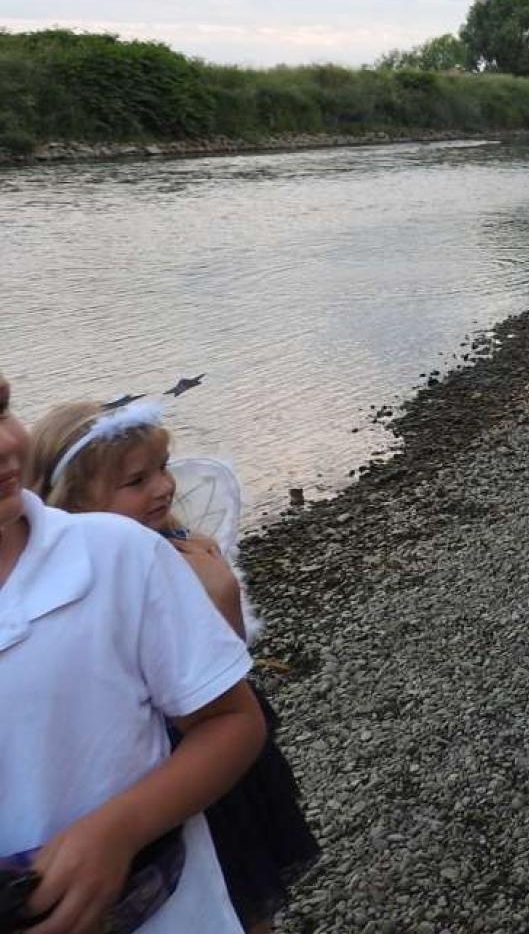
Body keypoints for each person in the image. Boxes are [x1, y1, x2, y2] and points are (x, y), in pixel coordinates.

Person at [27, 399, 320, 934]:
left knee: (244, 897)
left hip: (212, 772)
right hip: (146, 786)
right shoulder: (76, 592)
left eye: (162, 467)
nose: (163, 487)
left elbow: (231, 695)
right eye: (136, 480)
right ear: (72, 504)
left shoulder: (186, 556)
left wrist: (225, 602)